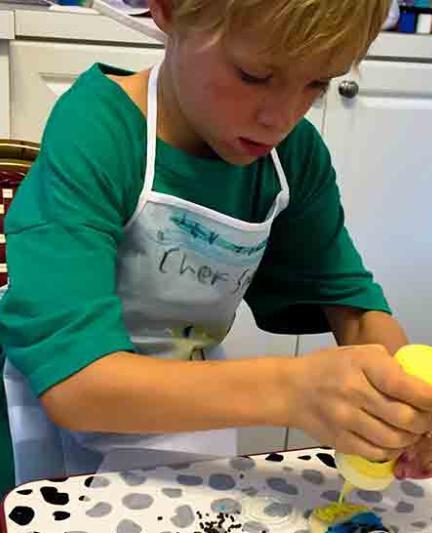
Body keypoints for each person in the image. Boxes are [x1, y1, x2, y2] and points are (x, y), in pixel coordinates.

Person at [1, 0, 431, 492]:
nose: (282, 117)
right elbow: (76, 385)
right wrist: (293, 389)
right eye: (253, 75)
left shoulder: (291, 157)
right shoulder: (98, 133)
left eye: (317, 83)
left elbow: (353, 307)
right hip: (57, 421)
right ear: (167, 11)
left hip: (193, 406)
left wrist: (407, 406)